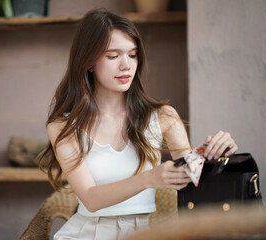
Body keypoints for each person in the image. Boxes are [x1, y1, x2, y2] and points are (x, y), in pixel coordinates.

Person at [38, 9, 238, 240]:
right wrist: (150, 178)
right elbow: (90, 199)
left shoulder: (163, 116)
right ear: (89, 62)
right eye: (113, 56)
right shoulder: (63, 126)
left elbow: (192, 175)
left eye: (132, 55)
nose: (126, 65)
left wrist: (216, 153)